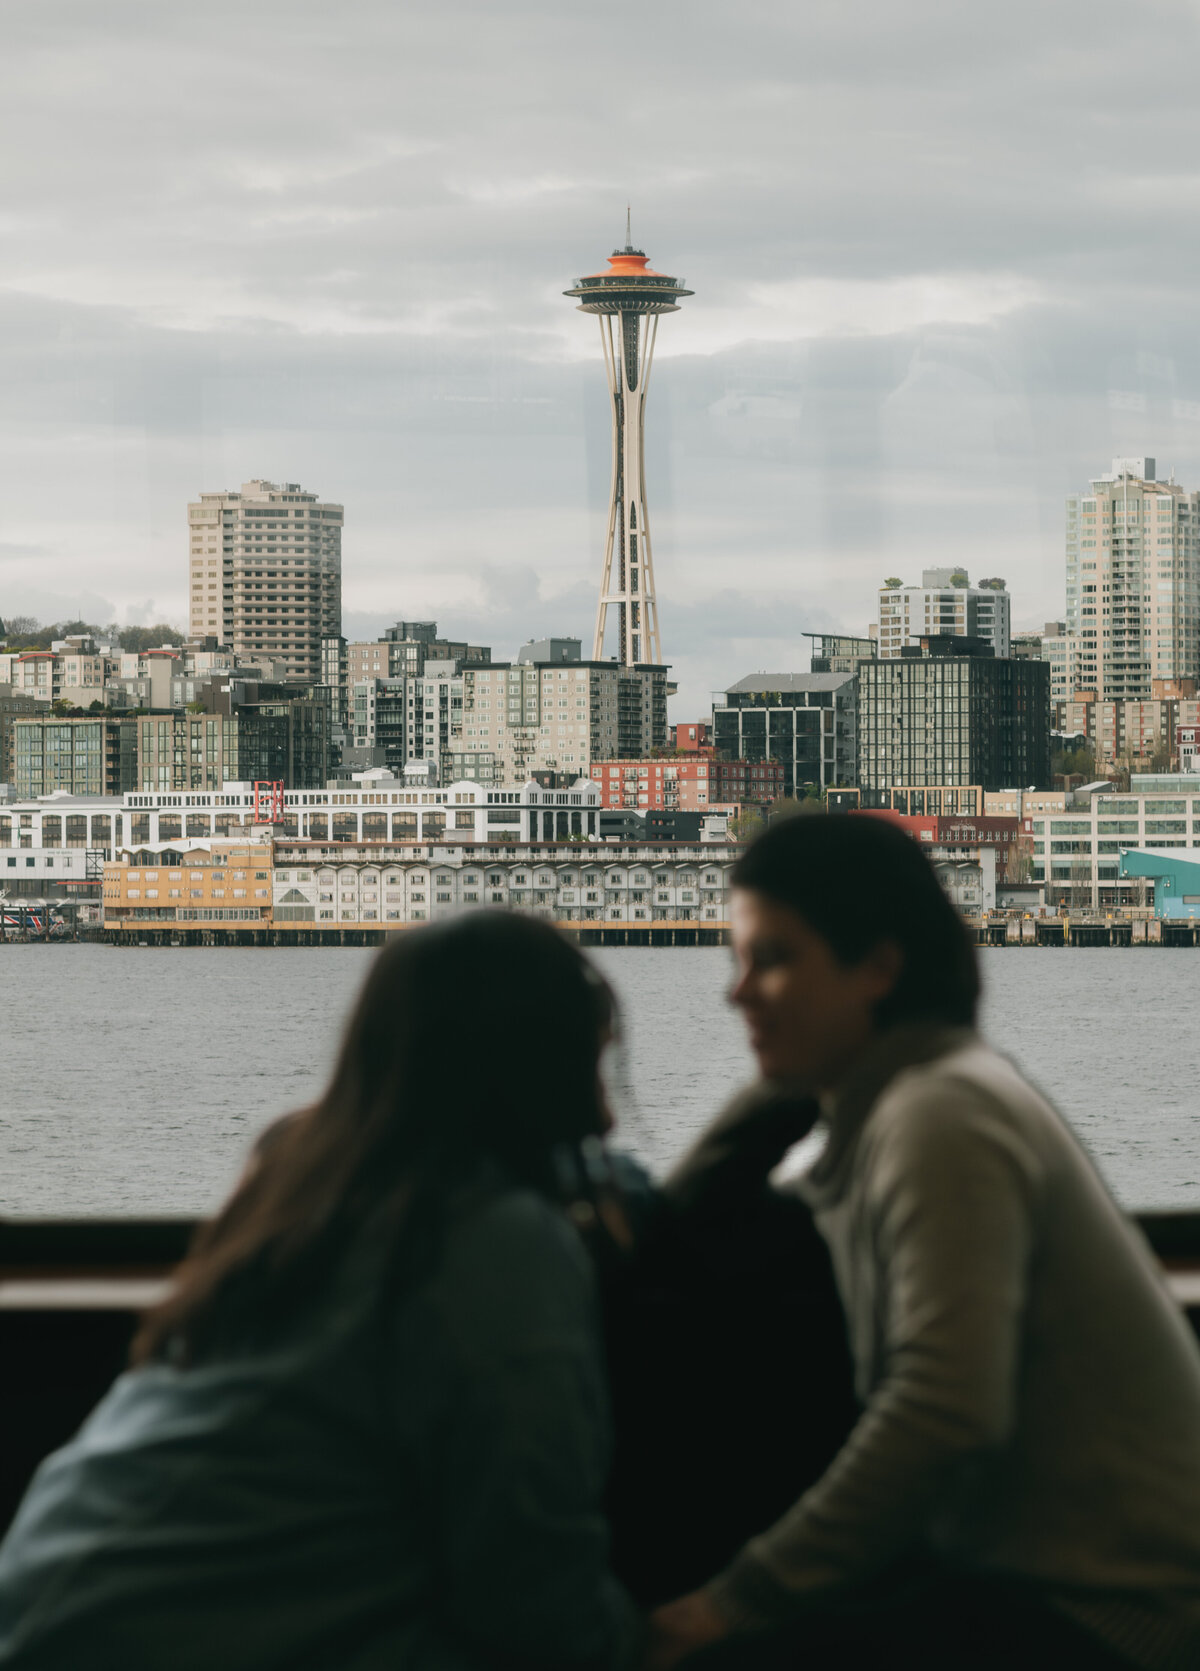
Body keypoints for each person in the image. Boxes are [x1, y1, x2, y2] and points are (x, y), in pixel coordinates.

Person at [0, 913, 639, 1670]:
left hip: (54, 1590)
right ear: (531, 1069)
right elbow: (534, 1592)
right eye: (588, 1068)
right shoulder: (493, 1239)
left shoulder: (305, 1176)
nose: (605, 1111)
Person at [645, 813, 1200, 1671]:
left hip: (1110, 1612)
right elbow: (684, 1234)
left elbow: (945, 1407)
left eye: (775, 959)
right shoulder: (901, 1102)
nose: (739, 992)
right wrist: (786, 1082)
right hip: (1024, 1575)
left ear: (879, 967)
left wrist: (738, 1601)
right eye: (738, 962)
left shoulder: (942, 1113)